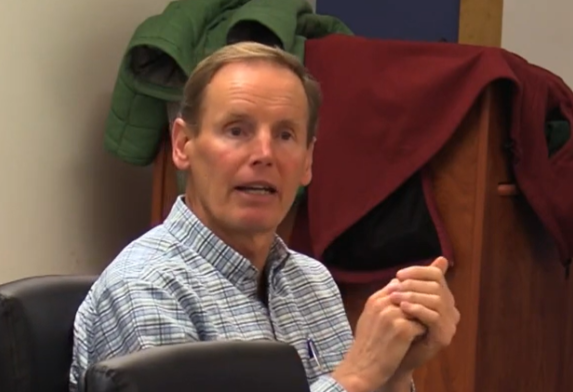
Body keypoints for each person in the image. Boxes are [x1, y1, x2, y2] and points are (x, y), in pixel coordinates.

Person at [69, 41, 461, 392]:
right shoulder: (145, 289)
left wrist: (393, 374)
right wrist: (357, 377)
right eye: (236, 131)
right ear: (183, 144)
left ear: (307, 161)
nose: (264, 154)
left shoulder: (312, 281)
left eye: (285, 135)